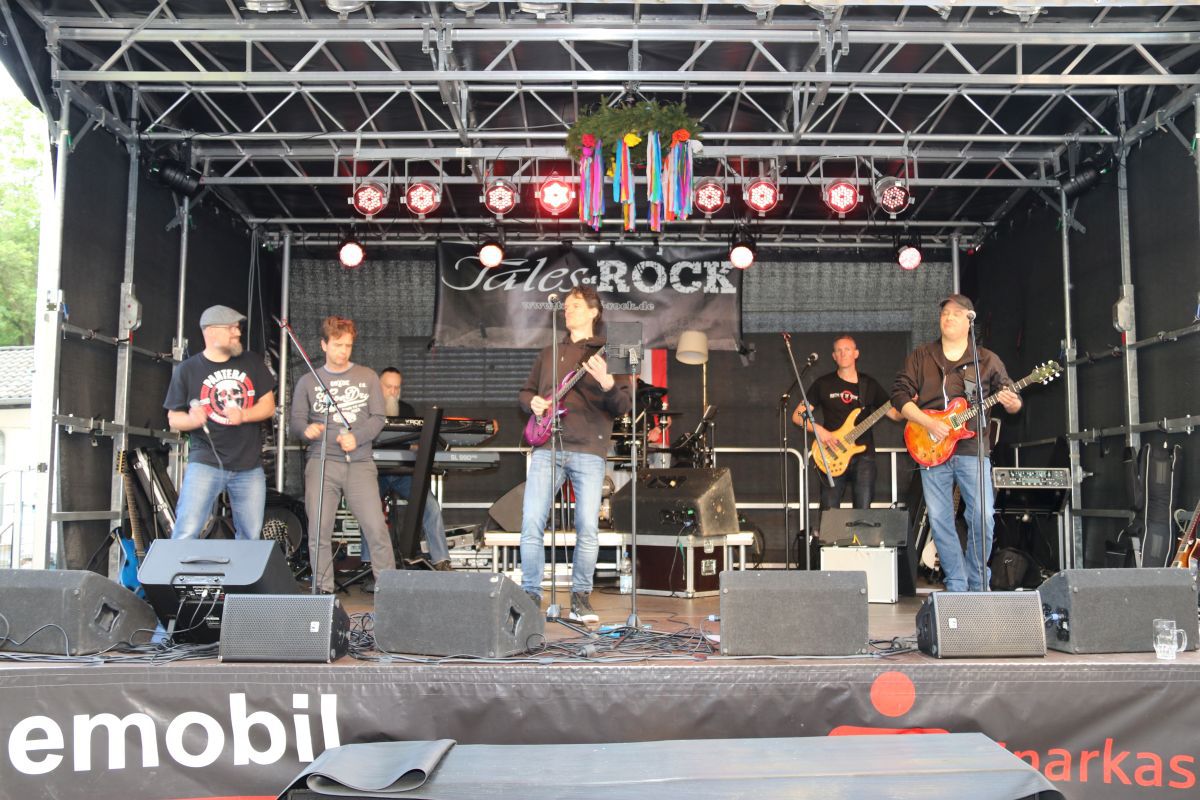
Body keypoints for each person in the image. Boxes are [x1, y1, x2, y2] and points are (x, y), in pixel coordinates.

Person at [891, 294, 1022, 592]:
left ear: (969, 320)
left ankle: (978, 582)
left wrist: (1012, 402)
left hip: (972, 449)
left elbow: (1013, 401)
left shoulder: (985, 360)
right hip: (931, 448)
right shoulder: (921, 356)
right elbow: (899, 395)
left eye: (955, 313)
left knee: (983, 517)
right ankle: (957, 583)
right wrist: (928, 423)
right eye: (944, 313)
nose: (948, 317)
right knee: (940, 520)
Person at [518, 285, 632, 623]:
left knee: (587, 526)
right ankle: (530, 595)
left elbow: (624, 405)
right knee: (531, 521)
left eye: (576, 305)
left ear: (594, 311)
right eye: (566, 306)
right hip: (547, 447)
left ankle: (581, 596)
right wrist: (532, 402)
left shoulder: (612, 350)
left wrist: (608, 383)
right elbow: (525, 392)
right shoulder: (549, 353)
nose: (568, 310)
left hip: (589, 449)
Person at [289, 316, 396, 593]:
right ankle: (323, 590)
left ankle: (389, 591)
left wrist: (357, 437)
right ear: (324, 345)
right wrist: (307, 430)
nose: (343, 351)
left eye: (348, 345)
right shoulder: (308, 381)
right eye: (338, 345)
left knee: (376, 528)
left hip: (359, 463)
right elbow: (296, 422)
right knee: (319, 531)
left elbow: (378, 417)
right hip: (322, 462)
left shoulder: (367, 376)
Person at [165, 305, 276, 540]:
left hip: (249, 465)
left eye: (238, 327)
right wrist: (192, 419)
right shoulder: (187, 370)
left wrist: (244, 415)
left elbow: (268, 406)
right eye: (231, 328)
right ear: (211, 331)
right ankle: (180, 567)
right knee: (186, 530)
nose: (238, 332)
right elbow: (174, 418)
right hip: (205, 462)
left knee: (251, 537)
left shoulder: (252, 362)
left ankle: (242, 569)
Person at [791, 334, 901, 537]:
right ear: (834, 356)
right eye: (839, 350)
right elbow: (798, 416)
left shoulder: (869, 384)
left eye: (847, 349)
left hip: (864, 457)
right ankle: (829, 552)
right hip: (832, 454)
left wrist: (909, 405)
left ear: (856, 353)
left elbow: (894, 414)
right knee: (829, 514)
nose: (843, 354)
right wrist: (821, 431)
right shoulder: (823, 384)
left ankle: (861, 551)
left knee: (863, 514)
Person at [367, 366, 452, 572]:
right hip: (374, 473)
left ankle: (441, 560)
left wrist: (415, 447)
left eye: (397, 387)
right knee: (367, 509)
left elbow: (415, 442)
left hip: (403, 473)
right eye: (388, 387)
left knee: (430, 506)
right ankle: (369, 563)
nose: (393, 392)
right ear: (377, 386)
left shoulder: (407, 410)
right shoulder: (366, 409)